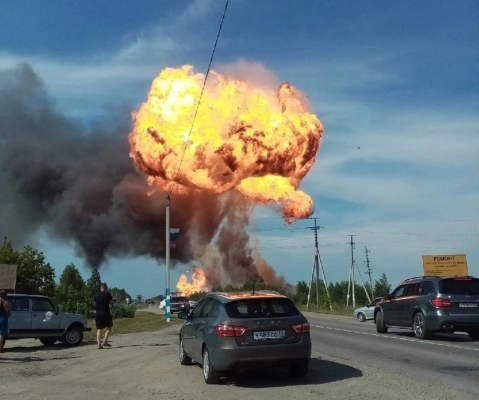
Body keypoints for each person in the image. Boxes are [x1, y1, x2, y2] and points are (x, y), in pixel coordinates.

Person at [93, 283, 113, 349]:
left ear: (100, 287)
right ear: (106, 287)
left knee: (99, 329)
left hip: (98, 314)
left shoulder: (96, 295)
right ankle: (104, 341)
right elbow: (111, 303)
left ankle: (99, 345)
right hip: (106, 313)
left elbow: (94, 304)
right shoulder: (108, 294)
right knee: (109, 327)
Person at [0, 290, 12, 356]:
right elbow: (10, 313)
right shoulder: (8, 302)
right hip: (3, 319)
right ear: (6, 295)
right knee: (1, 337)